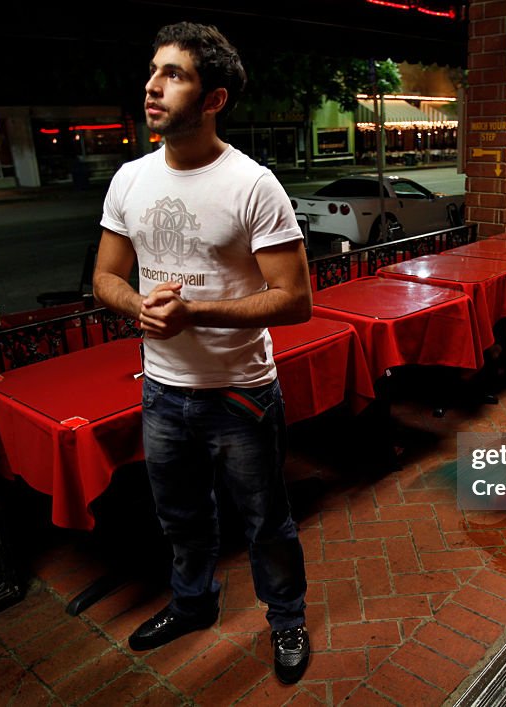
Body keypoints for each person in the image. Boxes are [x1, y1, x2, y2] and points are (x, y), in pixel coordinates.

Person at [93, 21, 312, 684]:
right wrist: (140, 307)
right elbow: (105, 277)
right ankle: (193, 603)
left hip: (240, 391)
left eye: (175, 74)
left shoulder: (252, 185)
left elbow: (295, 299)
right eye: (154, 70)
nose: (153, 86)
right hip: (161, 391)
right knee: (181, 516)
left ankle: (288, 619)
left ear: (214, 99)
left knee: (266, 520)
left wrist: (195, 312)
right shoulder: (129, 179)